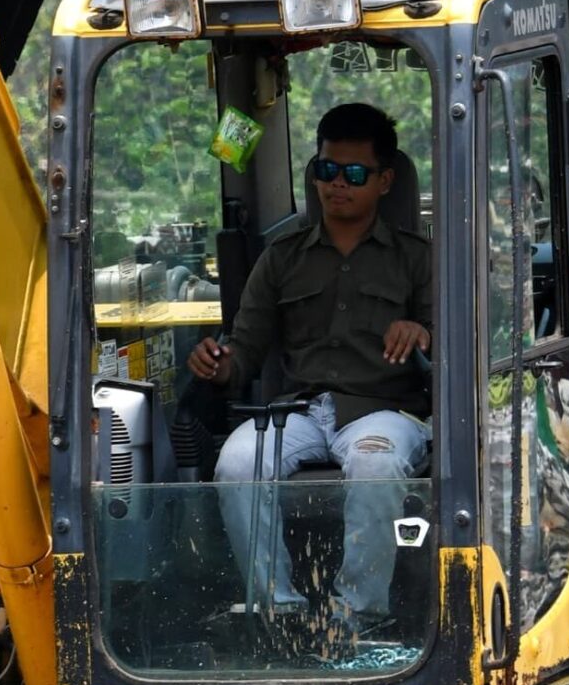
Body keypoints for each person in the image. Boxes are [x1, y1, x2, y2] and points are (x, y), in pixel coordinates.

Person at [185, 102, 433, 625]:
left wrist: (420, 332)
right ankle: (279, 610)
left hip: (385, 411)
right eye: (326, 170)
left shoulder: (417, 257)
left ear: (385, 182)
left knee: (374, 462)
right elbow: (245, 348)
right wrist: (218, 362)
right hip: (298, 411)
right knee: (236, 463)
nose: (336, 184)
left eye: (354, 174)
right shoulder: (282, 257)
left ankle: (357, 614)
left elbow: (451, 345)